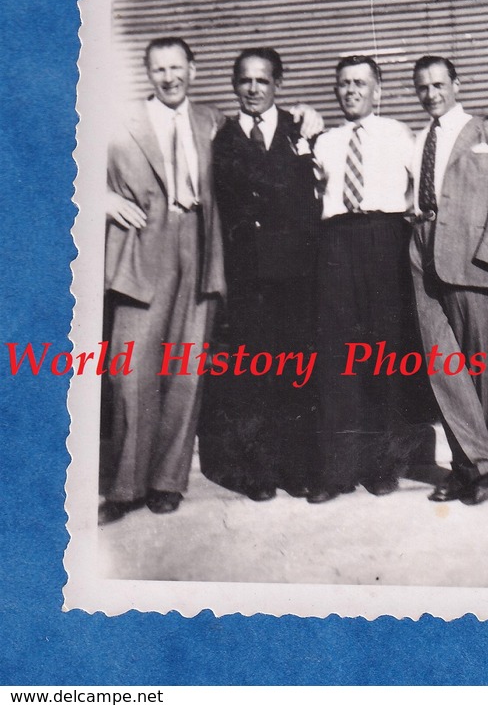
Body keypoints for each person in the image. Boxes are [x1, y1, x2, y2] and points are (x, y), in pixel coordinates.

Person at [100, 37, 226, 524]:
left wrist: (307, 115)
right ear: (148, 73)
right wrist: (100, 197)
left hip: (200, 244)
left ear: (193, 69)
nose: (169, 77)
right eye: (159, 69)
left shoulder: (213, 121)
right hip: (141, 250)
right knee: (130, 372)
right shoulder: (120, 121)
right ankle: (126, 486)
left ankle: (167, 482)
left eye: (177, 67)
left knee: (186, 370)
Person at [409, 55, 488, 505]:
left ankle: (480, 468)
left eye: (439, 85)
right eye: (422, 87)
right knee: (443, 365)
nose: (432, 94)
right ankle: (474, 465)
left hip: (471, 258)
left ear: (456, 85)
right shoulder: (417, 137)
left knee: (475, 365)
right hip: (421, 252)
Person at [198, 47, 322, 502]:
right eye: (245, 81)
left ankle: (299, 469)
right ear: (235, 85)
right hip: (246, 277)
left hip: (296, 274)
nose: (253, 89)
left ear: (278, 85)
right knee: (252, 375)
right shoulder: (221, 135)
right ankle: (260, 472)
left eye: (263, 81)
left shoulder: (301, 128)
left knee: (297, 370)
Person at [307, 55, 432, 504]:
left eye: (360, 83)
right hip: (336, 243)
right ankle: (338, 469)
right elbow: (313, 192)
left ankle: (383, 466)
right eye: (343, 84)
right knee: (337, 358)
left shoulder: (401, 135)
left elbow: (424, 191)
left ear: (377, 91)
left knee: (384, 352)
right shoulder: (322, 141)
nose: (351, 91)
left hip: (386, 240)